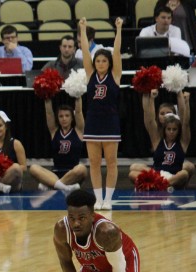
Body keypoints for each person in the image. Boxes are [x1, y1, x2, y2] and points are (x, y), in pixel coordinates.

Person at [53, 189, 140, 272]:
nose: (76, 223)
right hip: (92, 266)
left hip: (122, 262)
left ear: (92, 216)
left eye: (81, 218)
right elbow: (65, 261)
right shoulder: (62, 230)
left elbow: (118, 265)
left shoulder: (106, 232)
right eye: (72, 218)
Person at [79, 17, 123, 210]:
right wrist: (82, 29)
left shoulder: (115, 75)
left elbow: (118, 51)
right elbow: (84, 50)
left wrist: (119, 29)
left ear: (109, 62)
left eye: (104, 60)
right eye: (98, 60)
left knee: (111, 162)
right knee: (94, 163)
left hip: (110, 122)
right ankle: (98, 199)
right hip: (93, 122)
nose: (100, 63)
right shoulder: (90, 75)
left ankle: (109, 199)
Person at [128, 89, 193, 189]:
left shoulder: (182, 141)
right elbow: (149, 119)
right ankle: (159, 185)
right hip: (157, 175)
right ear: (165, 129)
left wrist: (186, 102)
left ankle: (158, 185)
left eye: (174, 129)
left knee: (184, 173)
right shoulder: (158, 139)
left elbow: (186, 123)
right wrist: (151, 98)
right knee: (132, 173)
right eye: (169, 129)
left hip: (173, 176)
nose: (171, 132)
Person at [28, 99, 87, 192]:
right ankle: (63, 187)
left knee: (82, 169)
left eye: (67, 116)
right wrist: (47, 96)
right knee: (33, 168)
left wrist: (78, 95)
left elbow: (79, 111)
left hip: (73, 173)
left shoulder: (78, 131)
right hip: (55, 173)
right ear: (57, 118)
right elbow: (49, 113)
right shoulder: (54, 131)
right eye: (61, 116)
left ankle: (52, 186)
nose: (64, 118)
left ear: (72, 118)